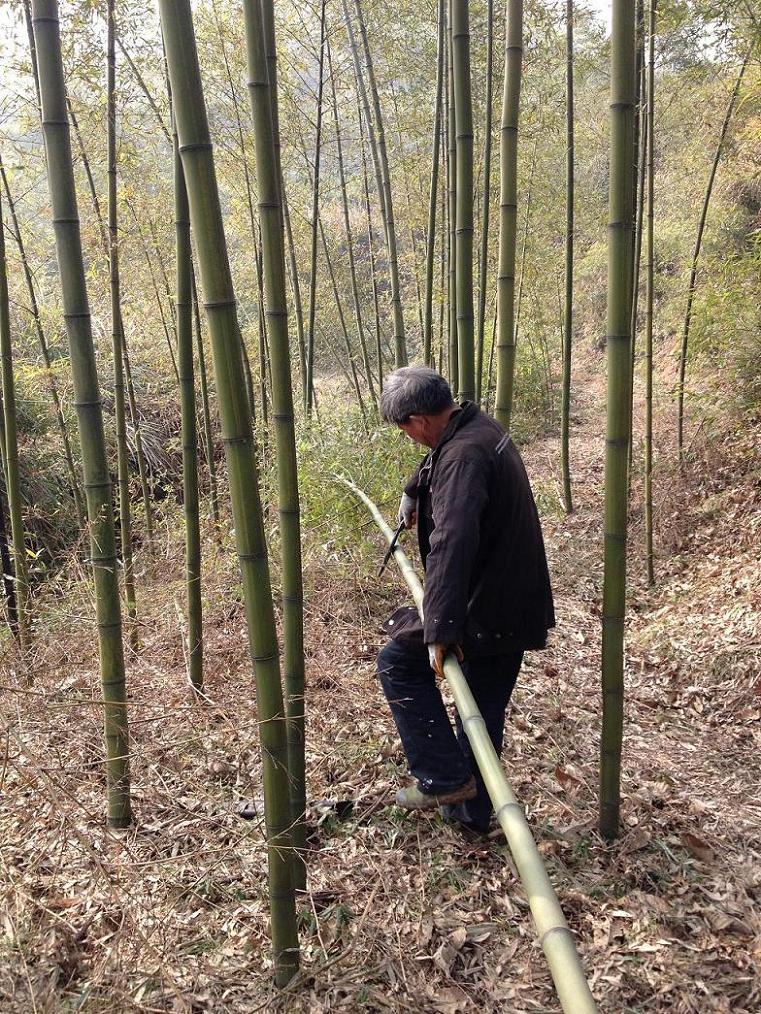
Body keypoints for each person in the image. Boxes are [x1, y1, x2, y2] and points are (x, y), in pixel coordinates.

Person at [377, 366, 555, 834]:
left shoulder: (462, 458)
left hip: (492, 605)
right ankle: (471, 813)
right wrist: (413, 491)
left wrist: (439, 629)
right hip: (510, 595)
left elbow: (451, 543)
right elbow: (441, 457)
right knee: (482, 704)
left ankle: (444, 778)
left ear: (417, 420)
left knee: (399, 661)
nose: (408, 438)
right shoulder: (476, 425)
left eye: (404, 430)